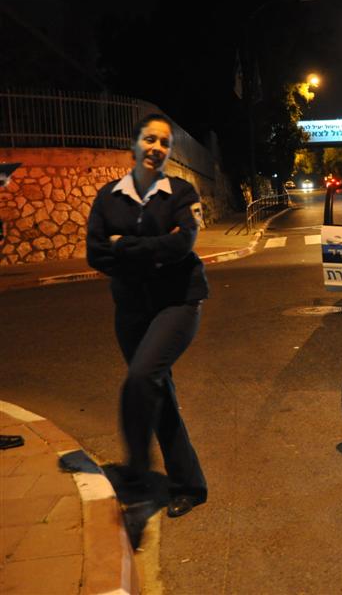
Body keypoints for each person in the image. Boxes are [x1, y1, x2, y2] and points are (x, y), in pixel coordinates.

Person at [86, 113, 208, 518]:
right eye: (149, 139)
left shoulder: (181, 193)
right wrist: (153, 248)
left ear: (170, 152)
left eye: (164, 142)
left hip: (178, 303)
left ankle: (137, 471)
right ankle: (188, 483)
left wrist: (126, 247)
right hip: (131, 308)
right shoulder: (108, 198)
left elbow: (184, 244)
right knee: (155, 389)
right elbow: (95, 254)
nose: (156, 147)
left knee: (141, 377)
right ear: (134, 145)